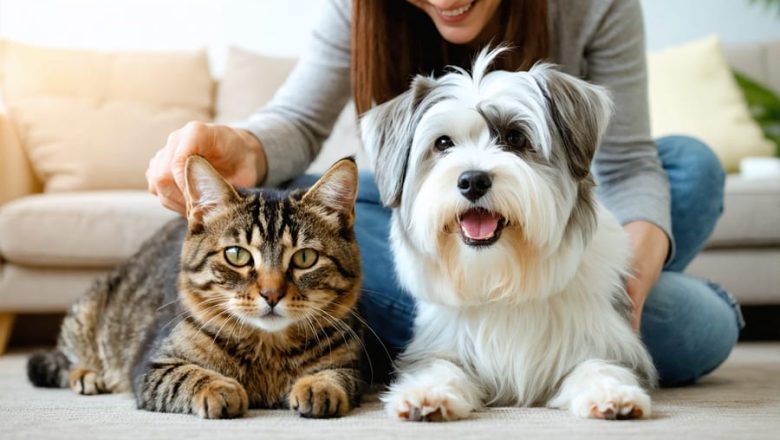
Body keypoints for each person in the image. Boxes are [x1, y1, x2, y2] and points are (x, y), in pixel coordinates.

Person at [146, 0, 743, 386]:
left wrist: (624, 296)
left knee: (690, 166)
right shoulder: (356, 9)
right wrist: (240, 144)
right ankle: (474, 333)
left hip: (562, 241)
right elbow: (298, 126)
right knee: (699, 324)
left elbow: (630, 164)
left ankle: (524, 321)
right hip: (414, 232)